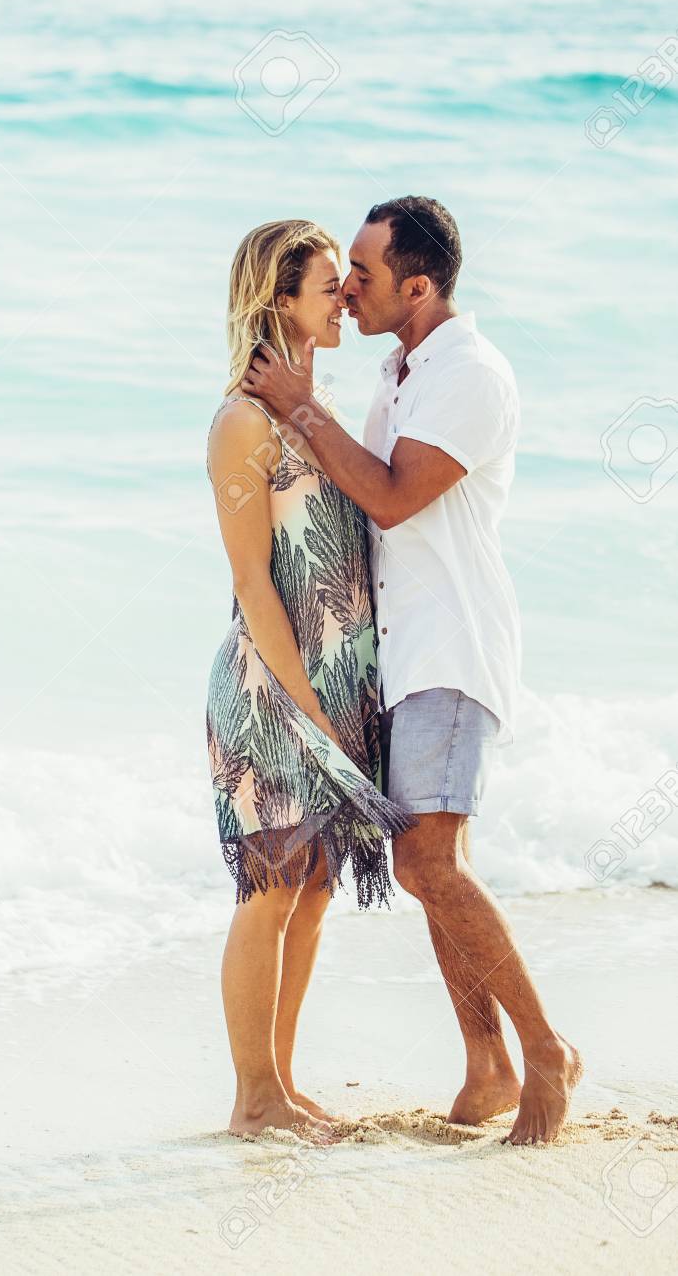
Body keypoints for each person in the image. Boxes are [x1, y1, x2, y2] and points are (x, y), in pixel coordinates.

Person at [241, 196, 582, 1146]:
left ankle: (546, 1050)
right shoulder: (401, 371)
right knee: (432, 865)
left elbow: (392, 500)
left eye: (364, 272)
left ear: (419, 285)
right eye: (343, 272)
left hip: (451, 648)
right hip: (402, 656)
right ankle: (488, 1065)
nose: (349, 287)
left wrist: (300, 406)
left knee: (427, 861)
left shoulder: (469, 375)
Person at [206, 220, 410, 1140]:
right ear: (278, 299)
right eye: (330, 285)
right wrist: (308, 705)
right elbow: (253, 583)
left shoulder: (314, 415)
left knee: (316, 887)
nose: (345, 297)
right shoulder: (244, 423)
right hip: (270, 691)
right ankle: (254, 1099)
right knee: (272, 886)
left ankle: (281, 1087)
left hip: (334, 687)